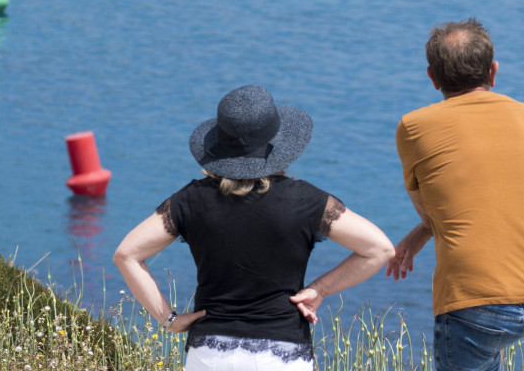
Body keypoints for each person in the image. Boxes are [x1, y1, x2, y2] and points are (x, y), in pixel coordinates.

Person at [114, 84, 394, 371]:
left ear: (220, 148)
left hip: (210, 355)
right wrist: (320, 289)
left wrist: (169, 320)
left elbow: (127, 254)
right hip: (283, 356)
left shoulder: (191, 200)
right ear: (279, 145)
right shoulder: (306, 200)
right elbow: (379, 249)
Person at [387, 19, 524, 371]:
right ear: (493, 72)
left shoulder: (414, 126)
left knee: (484, 330)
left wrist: (419, 231)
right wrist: (420, 234)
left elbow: (431, 212)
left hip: (475, 303)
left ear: (432, 78)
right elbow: (508, 190)